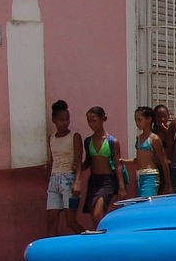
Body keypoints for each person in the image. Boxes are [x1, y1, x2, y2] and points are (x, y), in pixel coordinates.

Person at [45, 100, 83, 236]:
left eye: (67, 119)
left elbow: (78, 161)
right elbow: (52, 160)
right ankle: (50, 253)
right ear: (54, 120)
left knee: (70, 221)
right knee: (51, 220)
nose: (65, 123)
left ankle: (88, 242)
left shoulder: (75, 136)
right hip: (54, 181)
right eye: (61, 120)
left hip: (69, 181)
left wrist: (78, 182)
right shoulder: (51, 138)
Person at [81, 106, 123, 227]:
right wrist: (78, 168)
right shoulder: (88, 141)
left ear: (103, 119)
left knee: (98, 214)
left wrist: (121, 186)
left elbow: (117, 163)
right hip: (93, 181)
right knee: (94, 215)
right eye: (89, 121)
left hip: (107, 181)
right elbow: (89, 161)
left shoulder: (112, 141)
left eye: (94, 120)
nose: (91, 124)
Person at [123, 106, 171, 197]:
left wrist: (168, 183)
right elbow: (139, 159)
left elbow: (163, 161)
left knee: (146, 203)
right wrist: (124, 161)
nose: (137, 123)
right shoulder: (139, 138)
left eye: (140, 120)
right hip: (139, 176)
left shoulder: (154, 139)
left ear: (149, 119)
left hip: (150, 176)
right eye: (136, 120)